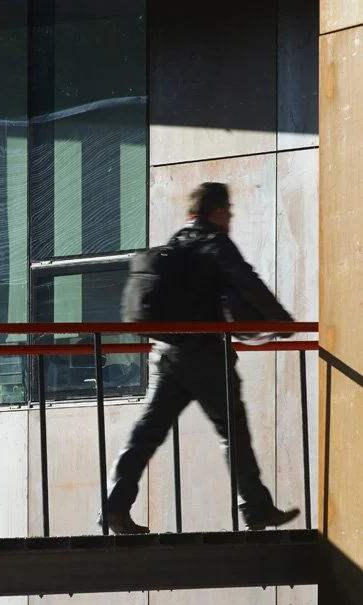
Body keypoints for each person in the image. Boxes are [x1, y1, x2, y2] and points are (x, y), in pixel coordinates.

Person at [106, 181, 299, 535]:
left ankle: (115, 508)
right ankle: (256, 508)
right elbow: (247, 281)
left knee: (146, 433)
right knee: (233, 434)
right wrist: (282, 321)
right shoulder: (215, 243)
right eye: (230, 210)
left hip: (167, 354)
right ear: (218, 211)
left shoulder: (177, 242)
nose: (231, 217)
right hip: (207, 356)